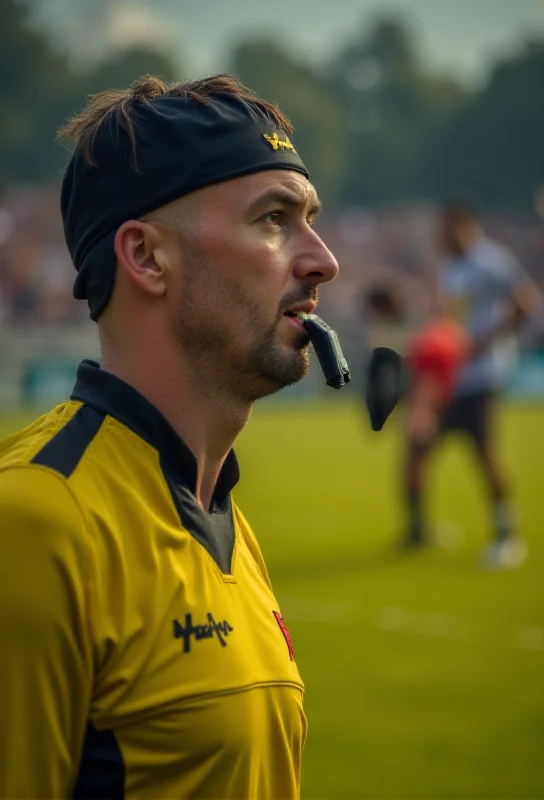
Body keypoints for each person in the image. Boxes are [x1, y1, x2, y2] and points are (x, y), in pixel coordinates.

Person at [0, 74, 339, 798]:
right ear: (147, 257)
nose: (322, 260)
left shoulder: (223, 514)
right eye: (275, 219)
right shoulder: (34, 522)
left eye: (309, 217)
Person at [402, 199, 539, 568]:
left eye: (445, 228)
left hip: (480, 377)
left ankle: (507, 537)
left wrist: (484, 341)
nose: (440, 236)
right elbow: (449, 319)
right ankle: (417, 531)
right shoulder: (451, 266)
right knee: (417, 448)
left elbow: (525, 301)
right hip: (449, 377)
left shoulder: (491, 260)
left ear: (462, 225)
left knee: (485, 454)